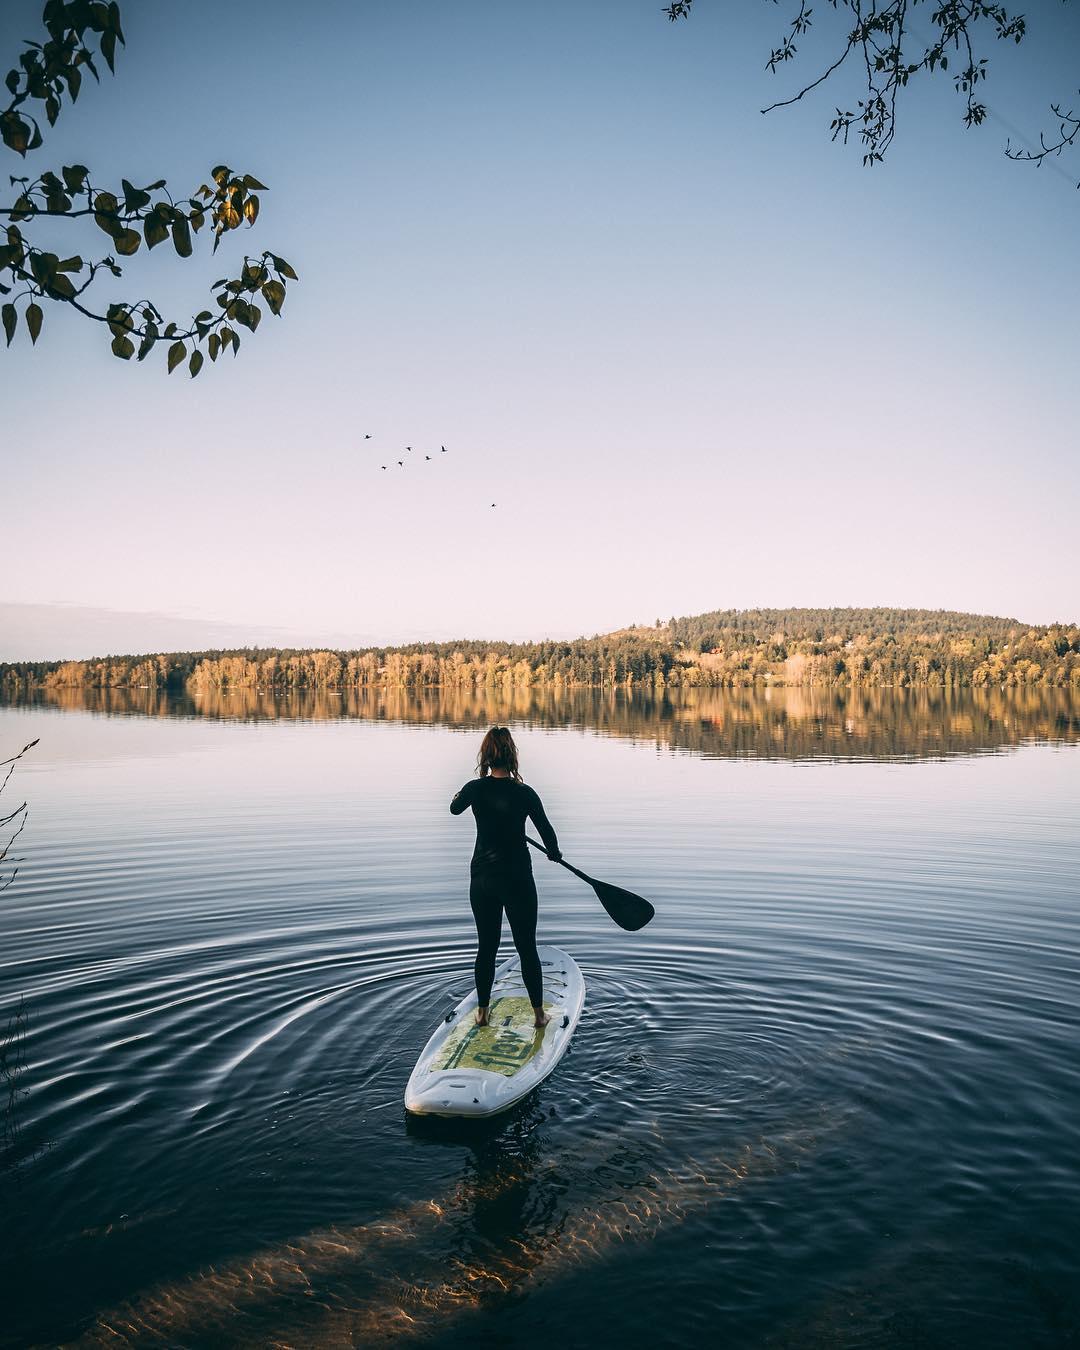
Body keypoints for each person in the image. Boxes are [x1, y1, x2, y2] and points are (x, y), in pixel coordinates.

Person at [450, 726, 561, 1028]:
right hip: (517, 879)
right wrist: (554, 852)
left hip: (483, 879)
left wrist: (466, 788)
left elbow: (454, 808)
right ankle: (539, 1015)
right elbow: (547, 833)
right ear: (513, 757)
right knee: (526, 947)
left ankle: (483, 1013)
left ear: (485, 757)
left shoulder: (475, 788)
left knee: (487, 946)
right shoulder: (525, 793)